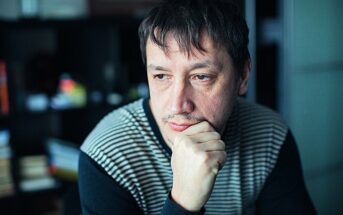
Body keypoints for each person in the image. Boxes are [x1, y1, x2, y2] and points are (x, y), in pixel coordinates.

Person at [78, 0, 316, 214]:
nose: (177, 104)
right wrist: (183, 203)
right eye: (161, 76)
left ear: (242, 76)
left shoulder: (270, 134)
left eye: (201, 77)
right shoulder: (107, 154)